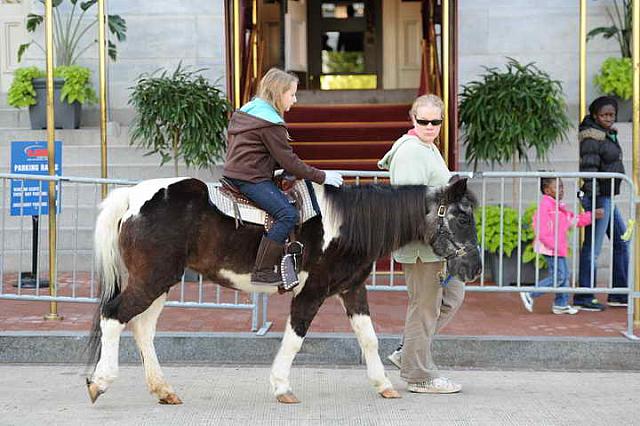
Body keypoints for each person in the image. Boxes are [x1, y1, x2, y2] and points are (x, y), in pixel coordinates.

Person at [222, 68, 343, 288]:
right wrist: (322, 176)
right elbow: (289, 161)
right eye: (292, 94)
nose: (295, 100)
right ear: (279, 93)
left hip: (237, 173)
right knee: (287, 214)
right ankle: (263, 270)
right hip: (250, 178)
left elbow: (256, 151)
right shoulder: (269, 123)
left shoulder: (248, 112)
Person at [377, 94, 464, 394]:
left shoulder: (427, 147)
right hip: (422, 245)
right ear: (413, 119)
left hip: (434, 242)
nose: (429, 126)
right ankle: (419, 375)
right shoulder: (412, 152)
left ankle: (409, 353)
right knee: (424, 308)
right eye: (423, 121)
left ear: (442, 120)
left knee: (450, 296)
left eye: (435, 121)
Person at [574, 96, 629, 311]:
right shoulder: (592, 137)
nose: (608, 118)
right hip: (598, 197)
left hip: (607, 196)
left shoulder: (607, 134)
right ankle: (584, 296)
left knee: (621, 242)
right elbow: (589, 171)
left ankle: (617, 292)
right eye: (604, 115)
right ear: (595, 115)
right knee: (593, 248)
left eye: (612, 115)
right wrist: (593, 203)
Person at [520, 177, 603, 315]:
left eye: (562, 187)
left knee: (564, 275)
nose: (561, 190)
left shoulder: (558, 207)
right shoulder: (545, 206)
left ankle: (561, 303)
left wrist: (591, 215)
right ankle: (530, 293)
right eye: (557, 187)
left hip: (558, 248)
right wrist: (553, 245)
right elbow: (541, 230)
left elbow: (573, 220)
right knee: (559, 276)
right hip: (551, 249)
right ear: (547, 190)